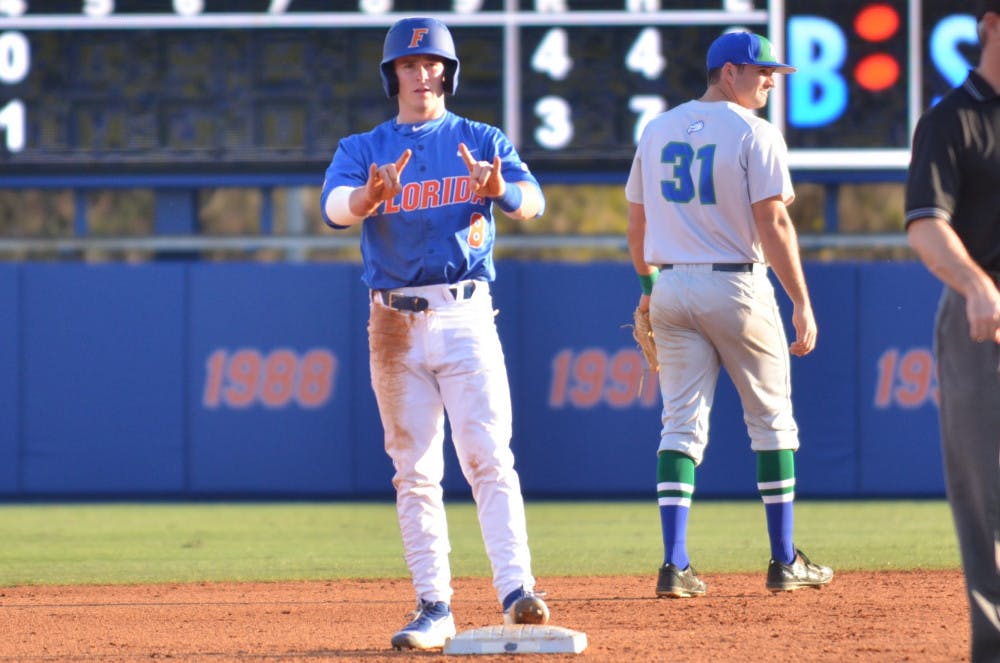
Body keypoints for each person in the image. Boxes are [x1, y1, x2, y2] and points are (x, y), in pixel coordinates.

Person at [319, 16, 549, 652]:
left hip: (465, 312)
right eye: (410, 65)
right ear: (392, 74)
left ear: (447, 73)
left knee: (488, 458)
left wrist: (501, 189)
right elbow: (334, 210)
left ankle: (517, 589)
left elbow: (534, 201)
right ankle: (434, 606)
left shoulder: (478, 138)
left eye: (432, 65)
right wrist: (367, 198)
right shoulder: (363, 149)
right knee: (414, 470)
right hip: (392, 322)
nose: (423, 75)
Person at [624, 30, 833, 598]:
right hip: (737, 285)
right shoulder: (755, 133)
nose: (770, 79)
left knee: (679, 426)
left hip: (670, 286)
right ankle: (785, 559)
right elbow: (775, 223)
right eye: (762, 70)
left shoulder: (658, 128)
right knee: (771, 423)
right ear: (729, 72)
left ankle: (675, 564)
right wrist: (801, 299)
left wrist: (647, 289)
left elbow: (638, 227)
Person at [905, 2, 1000, 659]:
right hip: (983, 316)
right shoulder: (951, 121)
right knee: (985, 491)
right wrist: (974, 285)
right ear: (993, 23)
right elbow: (925, 224)